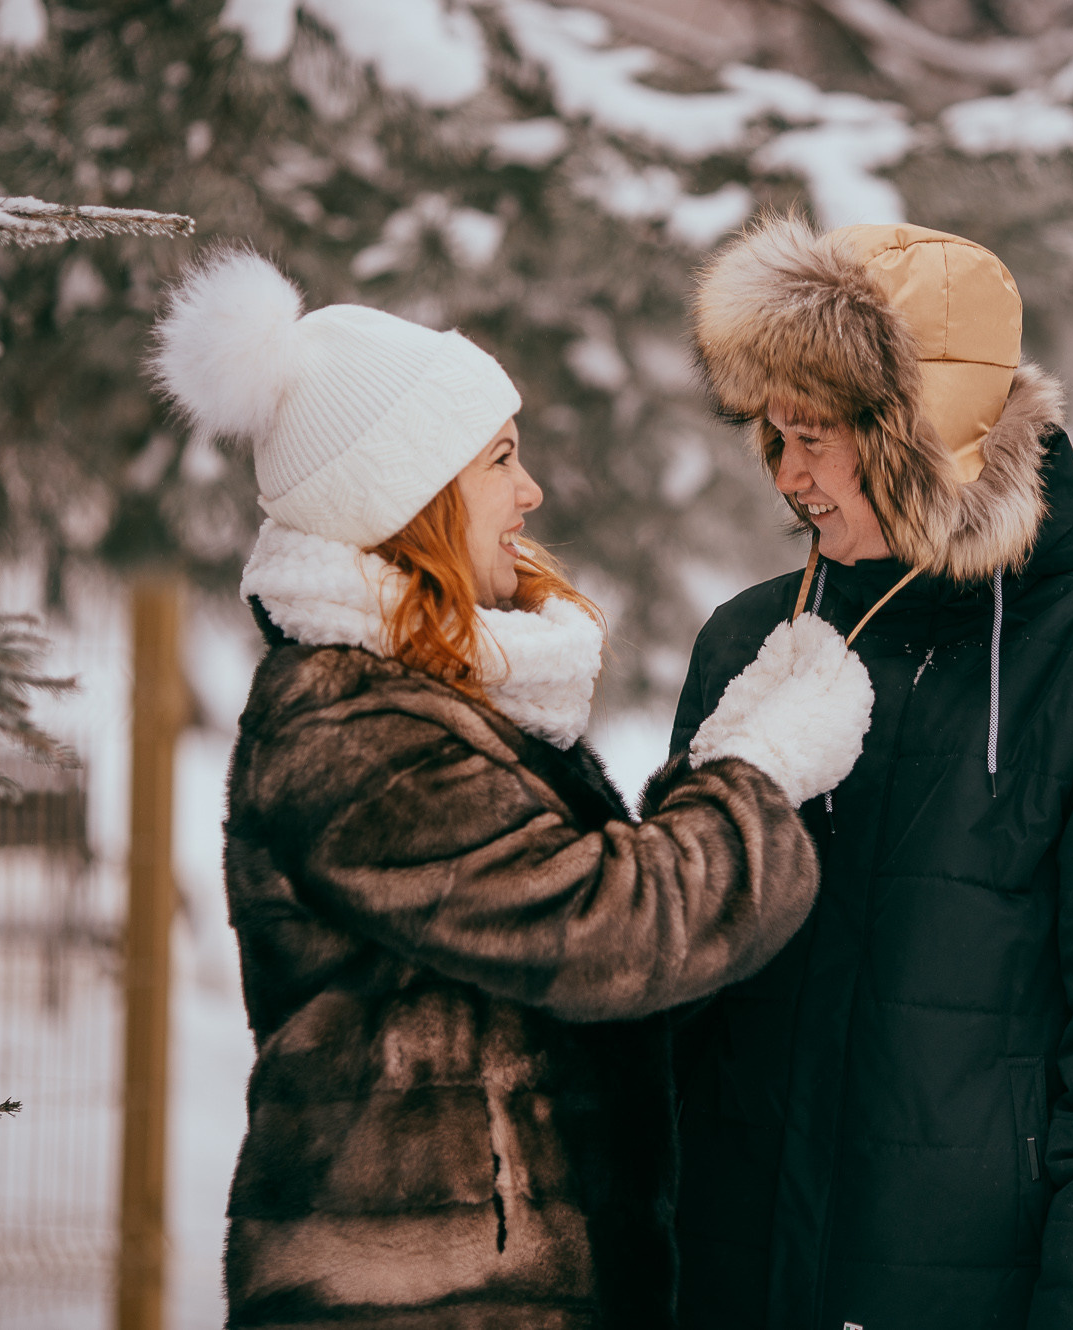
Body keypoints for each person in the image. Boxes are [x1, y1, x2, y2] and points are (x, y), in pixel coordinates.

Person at [148, 249, 875, 1328]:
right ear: (413, 498)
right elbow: (611, 930)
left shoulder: (434, 704)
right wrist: (755, 771)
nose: (530, 492)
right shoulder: (354, 734)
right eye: (499, 460)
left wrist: (717, 769)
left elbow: (582, 920)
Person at [669, 219, 1073, 1329]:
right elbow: (673, 985)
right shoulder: (751, 638)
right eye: (771, 435)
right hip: (729, 1281)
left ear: (919, 438)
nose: (787, 476)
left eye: (813, 436)